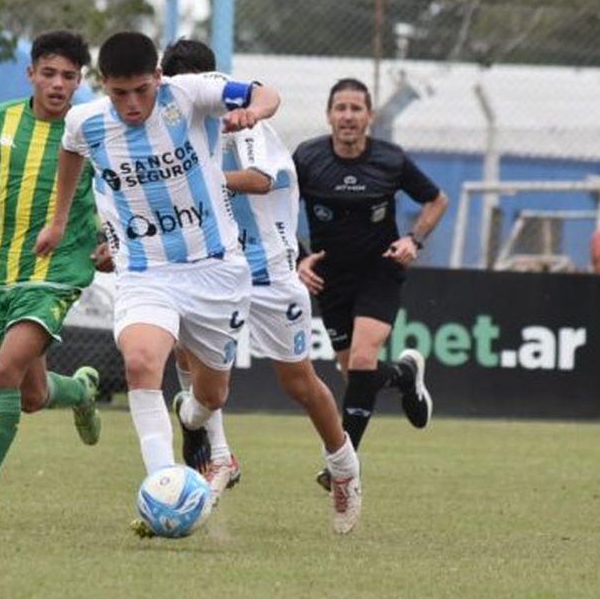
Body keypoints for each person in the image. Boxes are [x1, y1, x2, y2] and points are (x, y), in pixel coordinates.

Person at [34, 30, 279, 537]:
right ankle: (163, 484)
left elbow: (264, 92)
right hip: (146, 271)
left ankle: (192, 419)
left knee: (211, 395)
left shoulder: (189, 95)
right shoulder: (88, 120)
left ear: (158, 79)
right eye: (120, 93)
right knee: (142, 361)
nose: (131, 104)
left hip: (215, 269)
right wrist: (58, 221)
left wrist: (253, 112)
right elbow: (71, 150)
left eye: (142, 90)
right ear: (104, 86)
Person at [160, 38, 362, 533]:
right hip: (211, 267)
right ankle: (221, 456)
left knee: (298, 382)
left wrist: (204, 178)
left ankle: (345, 471)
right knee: (192, 360)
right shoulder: (174, 131)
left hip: (269, 271)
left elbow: (259, 179)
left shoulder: (243, 121)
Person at [0, 30, 106, 524]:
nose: (57, 84)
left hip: (58, 273)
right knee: (29, 396)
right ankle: (80, 391)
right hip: (4, 274)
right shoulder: (2, 119)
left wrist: (113, 241)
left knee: (2, 371)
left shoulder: (90, 128)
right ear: (30, 73)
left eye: (68, 76)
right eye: (48, 73)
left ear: (80, 81)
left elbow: (123, 187)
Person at [293, 78, 443, 491]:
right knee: (355, 374)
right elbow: (277, 206)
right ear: (328, 115)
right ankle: (404, 375)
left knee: (360, 362)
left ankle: (342, 467)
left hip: (379, 271)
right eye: (340, 108)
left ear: (369, 117)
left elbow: (437, 199)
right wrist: (298, 257)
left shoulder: (390, 160)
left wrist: (414, 239)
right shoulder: (307, 158)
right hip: (330, 278)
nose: (347, 116)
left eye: (356, 108)